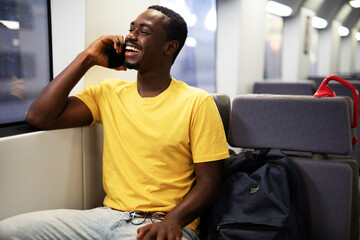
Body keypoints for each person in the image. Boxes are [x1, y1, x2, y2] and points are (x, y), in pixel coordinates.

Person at [0, 5, 229, 240]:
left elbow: (209, 184)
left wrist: (173, 220)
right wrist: (87, 57)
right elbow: (39, 117)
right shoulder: (108, 93)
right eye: (131, 29)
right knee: (9, 231)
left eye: (144, 31)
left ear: (169, 47)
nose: (131, 35)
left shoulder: (197, 102)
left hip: (164, 222)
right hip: (106, 217)